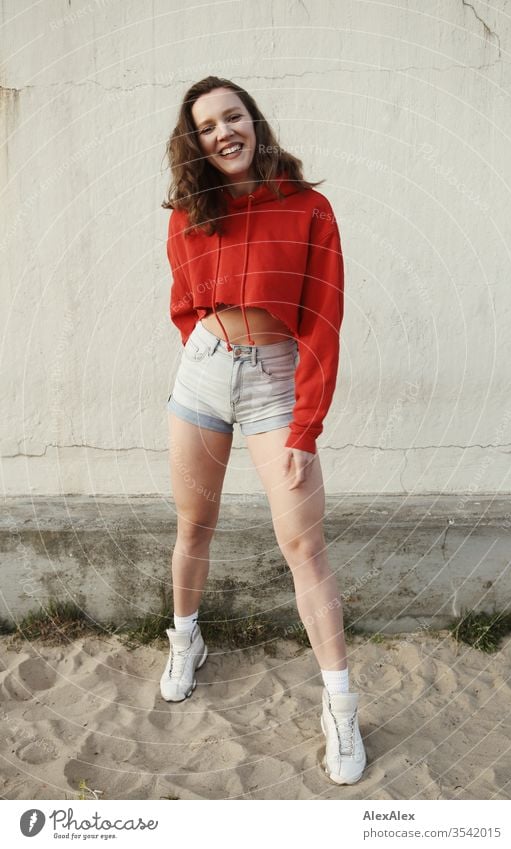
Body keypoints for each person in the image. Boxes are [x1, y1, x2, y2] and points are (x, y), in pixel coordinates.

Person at [160, 76, 366, 785]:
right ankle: (185, 639)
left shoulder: (310, 208)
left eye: (233, 116)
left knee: (303, 543)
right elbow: (185, 303)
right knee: (194, 525)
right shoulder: (190, 212)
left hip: (277, 379)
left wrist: (303, 427)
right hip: (203, 373)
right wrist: (210, 352)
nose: (224, 131)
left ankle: (339, 703)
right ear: (196, 142)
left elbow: (323, 323)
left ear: (254, 121)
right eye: (208, 125)